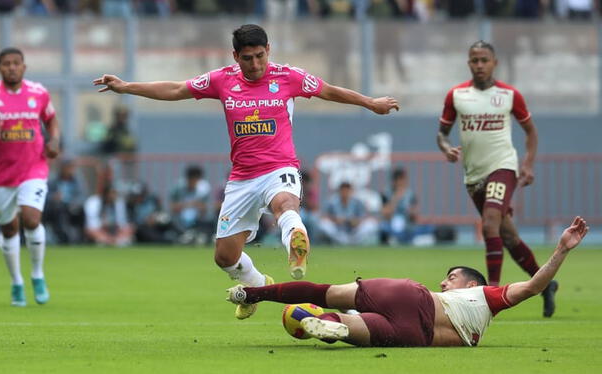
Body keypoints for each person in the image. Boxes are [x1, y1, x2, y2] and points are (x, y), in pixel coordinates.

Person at [94, 24, 399, 319]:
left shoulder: (289, 76)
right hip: (242, 179)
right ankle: (258, 286)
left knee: (285, 204)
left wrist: (371, 103)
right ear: (235, 56)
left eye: (260, 56)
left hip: (280, 168)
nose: (255, 64)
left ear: (269, 50)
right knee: (225, 257)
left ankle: (296, 240)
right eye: (247, 58)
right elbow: (176, 88)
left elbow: (329, 91)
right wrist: (125, 87)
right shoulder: (221, 80)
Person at [227, 216, 589, 347]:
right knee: (353, 327)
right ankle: (327, 324)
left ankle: (251, 291)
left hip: (411, 298)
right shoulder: (478, 327)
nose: (446, 282)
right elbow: (533, 288)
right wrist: (562, 251)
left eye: (451, 278)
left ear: (469, 284)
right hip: (415, 338)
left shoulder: (484, 293)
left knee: (326, 292)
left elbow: (534, 285)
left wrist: (560, 248)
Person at [435, 41, 558, 317]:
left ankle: (491, 294)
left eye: (484, 60)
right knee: (508, 236)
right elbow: (442, 133)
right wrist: (446, 148)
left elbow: (531, 133)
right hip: (473, 175)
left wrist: (526, 165)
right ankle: (545, 284)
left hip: (502, 167)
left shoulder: (509, 95)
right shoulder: (456, 95)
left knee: (489, 224)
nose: (479, 65)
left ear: (494, 62)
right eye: (474, 60)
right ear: (469, 63)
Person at [0, 47, 60, 307]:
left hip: (34, 168)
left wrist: (54, 140)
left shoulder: (38, 93)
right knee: (8, 228)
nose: (11, 67)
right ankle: (16, 281)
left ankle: (37, 275)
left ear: (24, 67)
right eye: (6, 64)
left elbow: (51, 120)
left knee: (31, 218)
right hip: (3, 172)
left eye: (16, 63)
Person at [318, 181, 379, 246]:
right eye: (343, 190)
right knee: (323, 223)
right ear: (339, 191)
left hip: (354, 232)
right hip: (339, 232)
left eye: (347, 190)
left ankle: (353, 242)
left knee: (371, 223)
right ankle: (341, 242)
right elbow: (325, 216)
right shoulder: (333, 202)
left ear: (351, 191)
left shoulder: (357, 202)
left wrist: (356, 221)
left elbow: (363, 217)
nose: (345, 193)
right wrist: (335, 220)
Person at [170, 165, 212, 244]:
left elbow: (204, 209)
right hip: (180, 220)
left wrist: (195, 205)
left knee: (208, 223)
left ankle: (193, 236)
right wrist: (190, 204)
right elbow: (173, 207)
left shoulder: (203, 188)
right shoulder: (178, 188)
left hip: (196, 221)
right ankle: (184, 236)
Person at [379, 167, 418, 245]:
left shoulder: (410, 194)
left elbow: (415, 216)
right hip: (391, 222)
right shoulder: (386, 193)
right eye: (402, 180)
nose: (404, 182)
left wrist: (412, 213)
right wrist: (396, 197)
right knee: (385, 226)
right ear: (395, 181)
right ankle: (394, 239)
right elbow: (385, 214)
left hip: (406, 223)